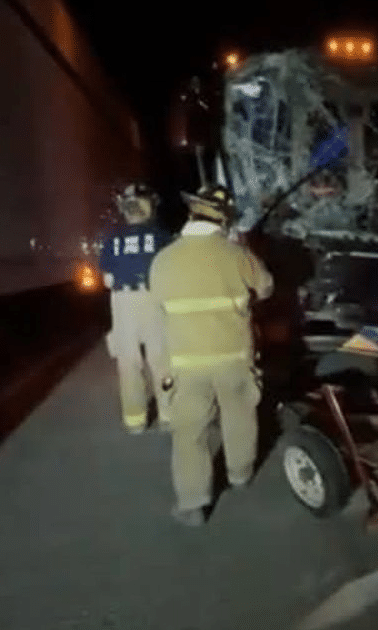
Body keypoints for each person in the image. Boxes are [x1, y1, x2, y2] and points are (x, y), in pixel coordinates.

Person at [149, 184, 274, 526]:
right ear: (225, 219)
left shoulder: (163, 260)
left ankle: (193, 504)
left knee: (189, 432)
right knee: (239, 416)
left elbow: (158, 305)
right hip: (235, 359)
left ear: (192, 213)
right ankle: (240, 474)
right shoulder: (237, 255)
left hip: (187, 365)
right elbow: (266, 287)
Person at [99, 183, 173, 435]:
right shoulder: (162, 236)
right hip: (154, 298)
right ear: (148, 205)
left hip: (123, 301)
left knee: (128, 361)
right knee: (161, 359)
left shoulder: (112, 238)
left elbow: (107, 279)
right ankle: (169, 414)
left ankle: (135, 420)